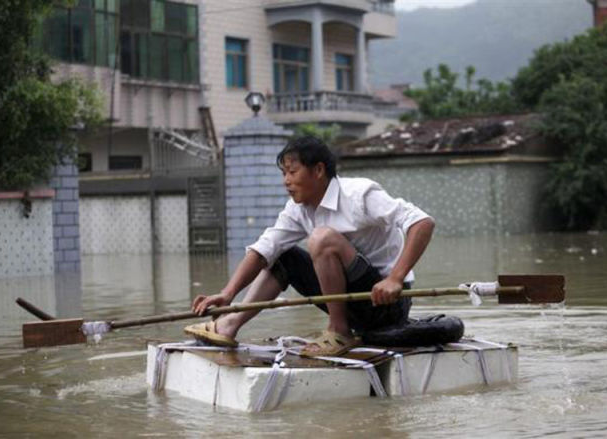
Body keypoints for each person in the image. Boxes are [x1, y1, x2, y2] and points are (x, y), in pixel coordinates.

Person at [185, 135, 435, 357]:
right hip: (351, 303)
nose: (286, 181)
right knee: (284, 255)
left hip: (385, 304)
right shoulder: (298, 209)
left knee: (322, 239)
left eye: (292, 172)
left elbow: (422, 222)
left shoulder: (359, 194)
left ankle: (339, 331)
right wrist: (228, 293)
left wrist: (395, 278)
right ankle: (229, 324)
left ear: (318, 170)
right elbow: (265, 249)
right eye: (283, 174)